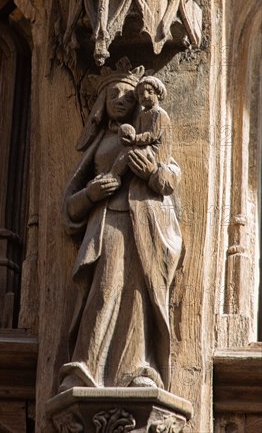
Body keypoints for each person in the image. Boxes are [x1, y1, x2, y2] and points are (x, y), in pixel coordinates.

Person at [59, 61, 182, 392]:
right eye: (113, 94)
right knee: (104, 290)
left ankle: (136, 369)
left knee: (136, 296)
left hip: (143, 224)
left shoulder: (149, 136)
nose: (121, 100)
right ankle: (86, 367)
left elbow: (170, 173)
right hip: (108, 223)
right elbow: (69, 205)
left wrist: (152, 174)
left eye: (128, 95)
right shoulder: (100, 144)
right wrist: (91, 193)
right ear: (101, 103)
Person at [100, 75, 171, 187]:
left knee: (129, 152)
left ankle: (114, 175)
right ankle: (113, 174)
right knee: (128, 150)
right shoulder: (142, 115)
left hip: (155, 151)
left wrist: (135, 139)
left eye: (150, 92)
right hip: (143, 147)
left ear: (158, 93)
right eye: (141, 94)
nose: (145, 96)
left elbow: (152, 135)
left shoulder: (159, 114)